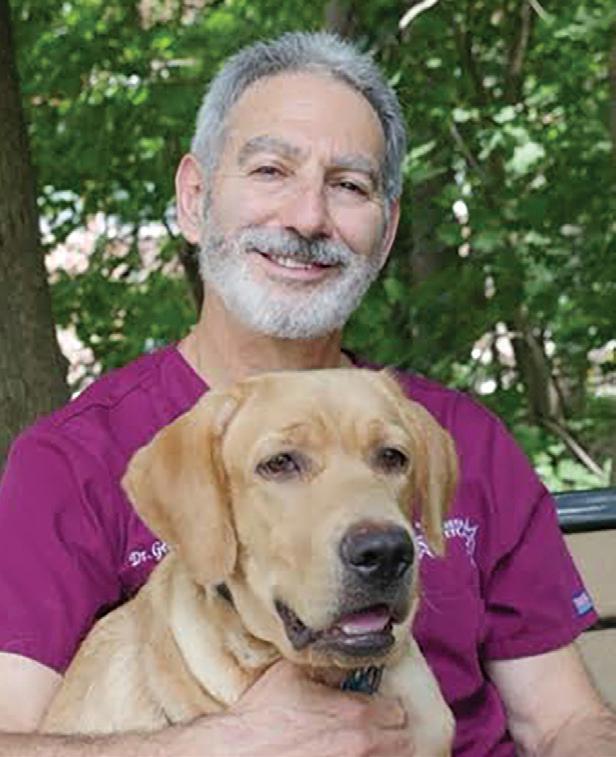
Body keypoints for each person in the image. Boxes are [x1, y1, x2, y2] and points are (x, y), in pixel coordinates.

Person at [0, 31, 614, 757]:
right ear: (194, 198)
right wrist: (226, 745)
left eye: (349, 186)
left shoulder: (461, 436)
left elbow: (566, 723)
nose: (307, 218)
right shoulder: (71, 462)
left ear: (385, 232)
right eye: (270, 170)